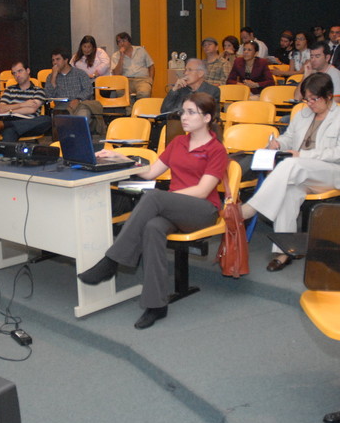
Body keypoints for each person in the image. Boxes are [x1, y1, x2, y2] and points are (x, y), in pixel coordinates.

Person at [78, 92, 229, 329]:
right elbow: (150, 173)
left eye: (191, 112)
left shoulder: (216, 149)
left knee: (155, 197)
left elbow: (202, 191)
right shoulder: (178, 142)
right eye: (182, 111)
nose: (184, 117)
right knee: (152, 227)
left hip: (202, 211)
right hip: (173, 208)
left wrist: (165, 199)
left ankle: (111, 261)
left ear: (208, 117)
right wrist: (119, 156)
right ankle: (156, 304)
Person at [240, 73, 340, 271]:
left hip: (336, 171)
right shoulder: (302, 114)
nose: (310, 103)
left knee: (291, 165)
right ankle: (284, 251)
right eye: (307, 99)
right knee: (289, 190)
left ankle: (251, 209)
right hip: (303, 172)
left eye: (315, 99)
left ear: (329, 96)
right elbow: (290, 137)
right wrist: (278, 143)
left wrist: (302, 155)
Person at [46, 47, 104, 131]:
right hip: (61, 108)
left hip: (80, 105)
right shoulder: (51, 77)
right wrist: (54, 78)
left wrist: (78, 99)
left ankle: (80, 140)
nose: (55, 63)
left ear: (66, 60)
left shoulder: (80, 73)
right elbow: (48, 95)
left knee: (81, 119)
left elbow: (88, 90)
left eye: (58, 59)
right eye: (53, 60)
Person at [0, 60, 51, 142]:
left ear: (28, 71)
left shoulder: (38, 90)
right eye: (14, 73)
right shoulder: (9, 90)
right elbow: (1, 110)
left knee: (47, 120)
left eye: (20, 71)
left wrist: (10, 110)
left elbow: (32, 110)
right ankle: (9, 126)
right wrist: (23, 104)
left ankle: (5, 125)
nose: (17, 75)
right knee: (9, 131)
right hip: (12, 120)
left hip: (30, 124)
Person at [110, 32, 155, 99]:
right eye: (119, 42)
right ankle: (130, 109)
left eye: (124, 41)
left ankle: (141, 109)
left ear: (129, 41)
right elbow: (116, 74)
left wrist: (150, 80)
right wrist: (121, 56)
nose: (122, 44)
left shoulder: (141, 50)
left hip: (142, 80)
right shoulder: (115, 56)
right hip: (126, 81)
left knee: (144, 93)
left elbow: (151, 66)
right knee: (120, 93)